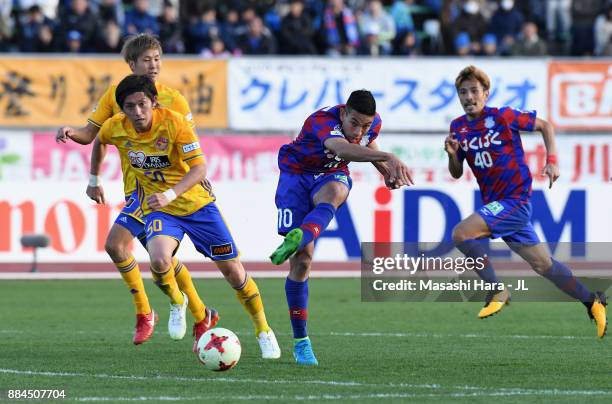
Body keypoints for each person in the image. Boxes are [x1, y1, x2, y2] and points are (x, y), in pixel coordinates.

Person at [69, 74, 281, 356]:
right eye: (129, 106)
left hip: (197, 206)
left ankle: (263, 330)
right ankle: (177, 301)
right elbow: (99, 141)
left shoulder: (175, 122)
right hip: (161, 209)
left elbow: (199, 169)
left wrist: (171, 193)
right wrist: (94, 179)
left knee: (234, 273)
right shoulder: (115, 128)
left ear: (154, 102)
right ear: (122, 108)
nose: (137, 112)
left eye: (142, 104)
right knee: (158, 259)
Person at [56, 34, 199, 346]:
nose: (153, 65)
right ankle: (197, 313)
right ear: (131, 64)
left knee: (128, 248)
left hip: (168, 192)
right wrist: (87, 167)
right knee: (157, 256)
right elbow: (92, 136)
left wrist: (196, 174)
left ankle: (156, 312)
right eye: (146, 60)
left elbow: (191, 147)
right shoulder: (116, 95)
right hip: (138, 189)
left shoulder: (175, 99)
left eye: (157, 59)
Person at [444, 65, 607, 338]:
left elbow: (545, 126)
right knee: (544, 265)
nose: (469, 97)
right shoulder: (458, 128)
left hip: (515, 201)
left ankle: (497, 289)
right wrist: (451, 155)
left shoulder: (503, 116)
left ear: (486, 93)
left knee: (461, 233)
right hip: (499, 206)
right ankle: (593, 301)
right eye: (463, 92)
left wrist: (552, 161)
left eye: (474, 91)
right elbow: (457, 172)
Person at [269, 90, 413, 365]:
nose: (359, 131)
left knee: (336, 190)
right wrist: (389, 157)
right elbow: (342, 149)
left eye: (366, 125)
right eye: (355, 123)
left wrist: (387, 173)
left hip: (330, 174)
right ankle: (301, 340)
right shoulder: (321, 121)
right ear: (344, 113)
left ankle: (303, 233)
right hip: (295, 177)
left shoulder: (371, 124)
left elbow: (367, 145)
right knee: (303, 261)